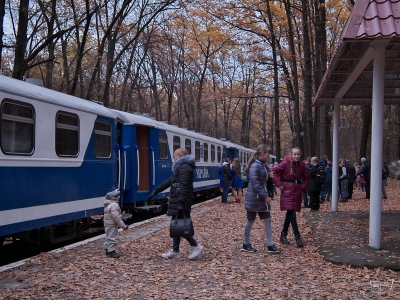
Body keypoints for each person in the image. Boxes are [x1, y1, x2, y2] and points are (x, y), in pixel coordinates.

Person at [146, 148, 203, 259]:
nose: (174, 158)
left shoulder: (185, 167)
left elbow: (184, 185)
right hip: (179, 200)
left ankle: (195, 245)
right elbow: (170, 181)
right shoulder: (182, 167)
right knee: (176, 224)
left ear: (181, 157)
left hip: (181, 200)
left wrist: (181, 202)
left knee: (180, 224)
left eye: (175, 156)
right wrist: (156, 191)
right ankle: (175, 250)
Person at [241, 144, 280, 254]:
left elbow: (260, 180)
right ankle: (245, 243)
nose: (269, 155)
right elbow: (255, 183)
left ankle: (270, 244)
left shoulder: (262, 165)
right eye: (268, 153)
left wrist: (269, 175)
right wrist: (265, 196)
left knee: (267, 219)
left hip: (260, 199)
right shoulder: (255, 166)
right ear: (262, 153)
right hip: (255, 198)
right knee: (250, 220)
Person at [271, 147, 310, 247]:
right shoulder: (285, 164)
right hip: (287, 191)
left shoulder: (302, 166)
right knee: (292, 213)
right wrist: (279, 184)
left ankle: (283, 234)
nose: (296, 156)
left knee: (290, 213)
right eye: (295, 154)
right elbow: (273, 171)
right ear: (291, 155)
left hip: (297, 191)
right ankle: (297, 237)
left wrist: (302, 188)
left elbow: (307, 178)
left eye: (298, 154)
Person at [103, 187, 129, 258]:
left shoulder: (108, 204)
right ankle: (111, 251)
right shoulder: (114, 205)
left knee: (108, 237)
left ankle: (107, 249)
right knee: (113, 238)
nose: (119, 196)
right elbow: (116, 217)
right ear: (114, 197)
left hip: (107, 224)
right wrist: (123, 226)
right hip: (112, 224)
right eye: (118, 195)